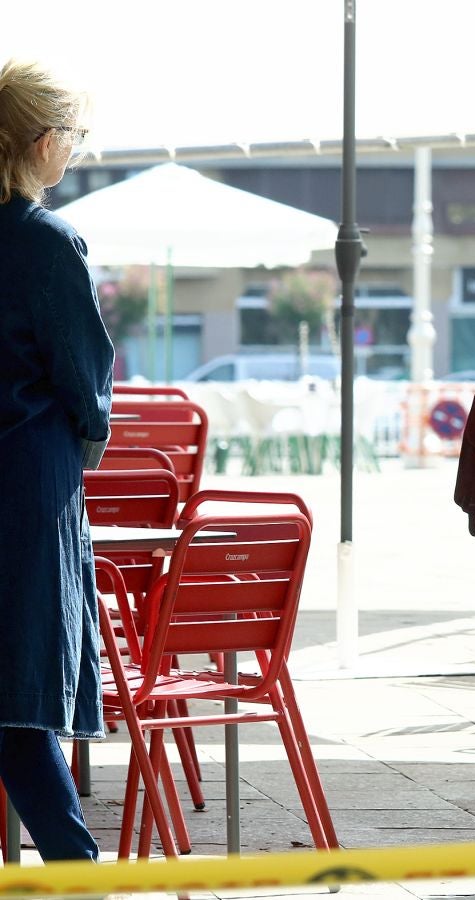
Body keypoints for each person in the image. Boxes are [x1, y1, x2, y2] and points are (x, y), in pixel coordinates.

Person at [0, 58, 111, 862]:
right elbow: (84, 372)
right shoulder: (46, 240)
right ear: (43, 143)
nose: (75, 151)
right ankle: (76, 869)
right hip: (25, 486)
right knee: (19, 700)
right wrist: (90, 434)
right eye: (73, 136)